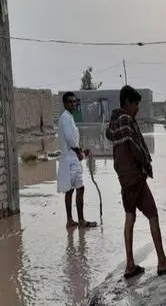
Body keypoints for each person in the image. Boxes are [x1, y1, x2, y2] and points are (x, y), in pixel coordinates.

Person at [105, 85, 166, 279]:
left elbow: (118, 147)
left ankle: (130, 264)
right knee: (153, 215)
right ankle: (162, 262)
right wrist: (145, 164)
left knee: (129, 217)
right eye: (136, 104)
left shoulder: (114, 123)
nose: (137, 108)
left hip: (124, 179)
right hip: (135, 178)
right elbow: (134, 148)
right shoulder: (125, 121)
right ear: (128, 103)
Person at [57, 92, 97, 229]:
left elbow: (72, 139)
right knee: (80, 188)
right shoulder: (66, 118)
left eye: (75, 102)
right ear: (65, 104)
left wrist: (80, 151)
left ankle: (70, 220)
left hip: (70, 157)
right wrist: (79, 152)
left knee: (70, 190)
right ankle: (80, 220)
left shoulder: (68, 117)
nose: (73, 104)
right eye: (70, 102)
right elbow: (69, 139)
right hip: (71, 159)